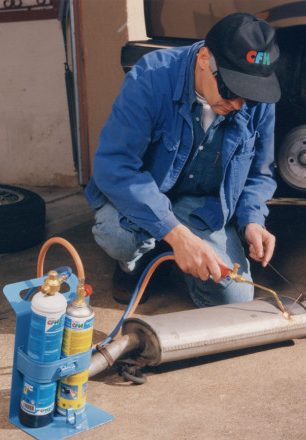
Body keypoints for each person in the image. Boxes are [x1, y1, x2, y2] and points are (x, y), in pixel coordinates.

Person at [85, 12, 281, 307]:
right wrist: (176, 235)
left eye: (250, 95)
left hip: (200, 205)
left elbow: (259, 173)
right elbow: (115, 164)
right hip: (145, 194)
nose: (239, 104)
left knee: (234, 301)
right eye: (231, 89)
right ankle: (135, 263)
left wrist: (252, 219)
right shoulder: (151, 77)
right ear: (204, 59)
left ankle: (176, 256)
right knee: (119, 237)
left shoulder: (254, 100)